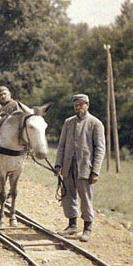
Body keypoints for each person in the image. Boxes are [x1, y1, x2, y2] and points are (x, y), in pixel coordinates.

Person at [54, 94, 105, 242]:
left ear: (87, 105)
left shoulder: (95, 123)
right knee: (68, 196)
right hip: (68, 166)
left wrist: (95, 171)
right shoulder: (68, 123)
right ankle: (72, 225)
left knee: (85, 198)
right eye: (76, 105)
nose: (78, 108)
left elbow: (100, 149)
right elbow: (61, 145)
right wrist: (58, 164)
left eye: (81, 104)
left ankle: (87, 228)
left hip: (85, 168)